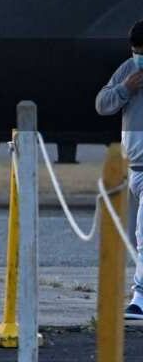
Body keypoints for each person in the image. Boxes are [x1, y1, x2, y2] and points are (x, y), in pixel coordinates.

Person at [94, 19, 143, 320]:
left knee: (142, 234)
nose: (139, 56)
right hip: (133, 168)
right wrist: (125, 90)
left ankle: (139, 296)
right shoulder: (128, 70)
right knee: (132, 233)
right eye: (136, 51)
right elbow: (102, 103)